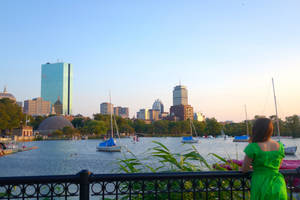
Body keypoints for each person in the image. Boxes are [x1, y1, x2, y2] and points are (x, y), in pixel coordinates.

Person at [241, 118, 287, 199]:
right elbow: (277, 166)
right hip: (277, 183)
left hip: (260, 183)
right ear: (270, 130)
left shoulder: (253, 147)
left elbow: (244, 169)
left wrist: (255, 168)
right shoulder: (280, 146)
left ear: (256, 130)